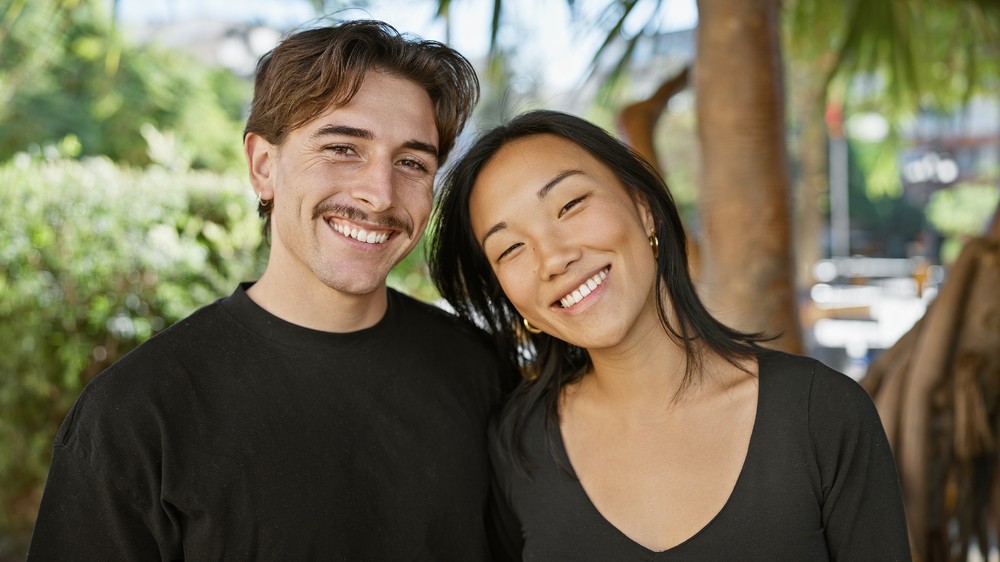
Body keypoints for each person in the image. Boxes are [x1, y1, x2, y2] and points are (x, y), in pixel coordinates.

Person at [28, 20, 514, 560]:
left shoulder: (478, 370)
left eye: (411, 162)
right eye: (342, 148)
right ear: (264, 166)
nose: (379, 195)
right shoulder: (136, 416)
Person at [429, 109, 912, 560]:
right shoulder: (519, 446)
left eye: (570, 204)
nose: (553, 258)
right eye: (510, 248)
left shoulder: (820, 413)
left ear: (643, 208)